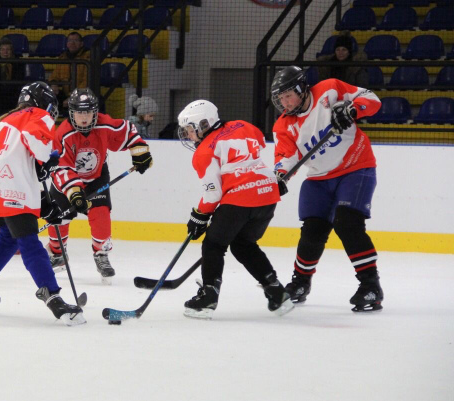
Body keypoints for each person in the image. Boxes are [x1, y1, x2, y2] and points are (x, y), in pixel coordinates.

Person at [0, 81, 85, 326]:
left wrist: (42, 200)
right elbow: (35, 144)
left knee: (9, 237)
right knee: (29, 241)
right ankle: (54, 298)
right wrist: (48, 158)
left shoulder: (3, 121)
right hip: (12, 187)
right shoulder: (37, 114)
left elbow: (14, 159)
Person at [271, 66, 384, 312]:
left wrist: (354, 109)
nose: (284, 102)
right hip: (319, 178)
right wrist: (280, 175)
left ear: (302, 89)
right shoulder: (284, 125)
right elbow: (286, 156)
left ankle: (371, 286)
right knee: (312, 230)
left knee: (347, 222)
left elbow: (373, 100)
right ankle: (301, 282)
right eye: (280, 98)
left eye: (288, 95)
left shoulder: (330, 90)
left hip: (356, 168)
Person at [177, 99, 293, 319]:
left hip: (240, 198)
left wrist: (199, 216)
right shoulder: (243, 125)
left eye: (190, 130)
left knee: (213, 244)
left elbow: (213, 194)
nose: (189, 136)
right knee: (243, 244)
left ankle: (207, 298)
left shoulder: (204, 152)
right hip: (268, 194)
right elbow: (259, 143)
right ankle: (277, 292)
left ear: (204, 124)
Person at [46, 88, 153, 284]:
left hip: (96, 178)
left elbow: (128, 130)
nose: (84, 117)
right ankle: (57, 253)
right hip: (67, 181)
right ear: (71, 113)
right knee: (59, 217)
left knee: (101, 214)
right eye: (80, 112)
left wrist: (139, 151)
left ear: (95, 112)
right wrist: (74, 193)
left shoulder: (104, 124)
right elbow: (62, 168)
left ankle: (101, 254)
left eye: (88, 112)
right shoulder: (63, 134)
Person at [50, 32, 90, 109]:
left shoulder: (87, 58)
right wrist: (54, 84)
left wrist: (73, 97)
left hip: (82, 94)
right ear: (67, 44)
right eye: (70, 40)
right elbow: (54, 75)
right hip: (66, 94)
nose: (72, 43)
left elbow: (86, 81)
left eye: (76, 40)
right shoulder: (63, 58)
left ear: (81, 44)